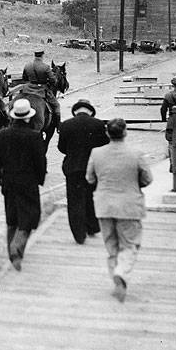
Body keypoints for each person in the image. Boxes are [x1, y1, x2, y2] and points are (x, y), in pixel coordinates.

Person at [86, 118, 152, 302]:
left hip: (104, 205)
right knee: (130, 244)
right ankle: (121, 272)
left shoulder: (96, 153)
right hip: (129, 206)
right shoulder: (136, 153)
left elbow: (90, 178)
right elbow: (147, 179)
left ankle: (116, 278)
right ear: (125, 132)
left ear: (107, 133)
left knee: (111, 245)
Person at [0, 99, 47, 271]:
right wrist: (40, 179)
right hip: (28, 183)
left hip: (9, 183)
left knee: (12, 219)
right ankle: (17, 248)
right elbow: (40, 162)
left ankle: (12, 254)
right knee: (30, 218)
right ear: (28, 117)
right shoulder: (35, 136)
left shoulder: (2, 135)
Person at [57, 99, 109, 244]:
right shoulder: (98, 124)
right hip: (93, 167)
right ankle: (92, 227)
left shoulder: (66, 124)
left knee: (74, 200)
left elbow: (61, 148)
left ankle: (79, 234)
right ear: (90, 111)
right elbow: (105, 146)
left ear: (76, 111)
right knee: (91, 197)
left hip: (73, 167)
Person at [21, 50, 61, 127]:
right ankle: (58, 125)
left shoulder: (27, 65)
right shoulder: (46, 67)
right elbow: (53, 81)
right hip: (41, 90)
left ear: (35, 55)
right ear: (42, 56)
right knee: (56, 105)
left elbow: (24, 78)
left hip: (28, 89)